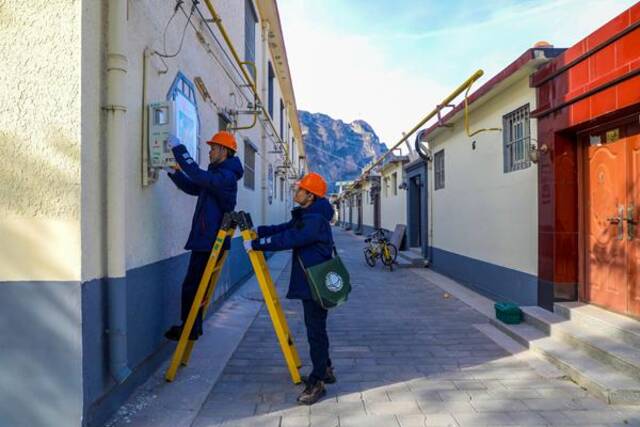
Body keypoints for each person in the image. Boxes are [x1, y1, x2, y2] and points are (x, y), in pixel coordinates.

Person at [244, 172, 336, 405]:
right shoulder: (309, 214)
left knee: (315, 331)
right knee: (317, 328)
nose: (295, 192)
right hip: (312, 279)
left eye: (300, 190)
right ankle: (325, 369)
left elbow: (290, 238)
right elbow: (286, 228)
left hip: (314, 281)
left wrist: (256, 244)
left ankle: (317, 383)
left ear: (311, 196)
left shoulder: (314, 220)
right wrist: (261, 231)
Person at [164, 131, 244, 341]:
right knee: (196, 286)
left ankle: (188, 327)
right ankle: (193, 326)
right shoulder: (219, 174)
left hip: (210, 240)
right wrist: (174, 173)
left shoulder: (225, 177)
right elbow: (193, 187)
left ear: (224, 151)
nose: (209, 152)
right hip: (207, 237)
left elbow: (198, 176)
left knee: (193, 286)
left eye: (213, 148)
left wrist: (178, 148)